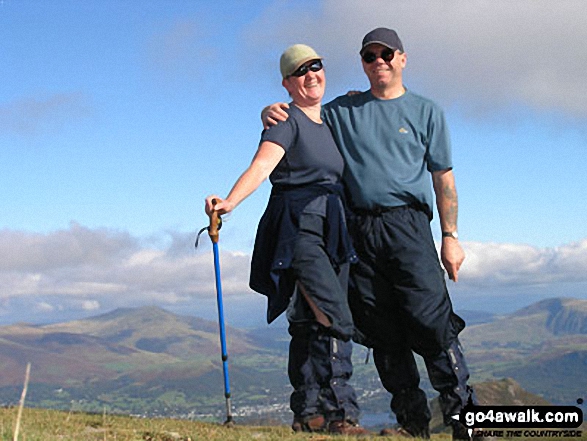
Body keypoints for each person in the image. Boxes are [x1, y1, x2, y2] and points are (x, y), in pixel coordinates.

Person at [262, 28, 477, 440]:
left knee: (432, 322)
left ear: (402, 58)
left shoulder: (426, 110)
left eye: (386, 54)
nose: (378, 61)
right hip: (358, 228)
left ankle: (466, 420)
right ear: (362, 62)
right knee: (383, 331)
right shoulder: (345, 109)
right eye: (369, 55)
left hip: (409, 226)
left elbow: (443, 176)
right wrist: (271, 113)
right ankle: (413, 424)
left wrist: (450, 235)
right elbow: (304, 114)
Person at [205, 44, 369, 436]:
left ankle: (308, 412)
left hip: (332, 227)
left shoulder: (330, 120)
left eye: (316, 66)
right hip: (298, 227)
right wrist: (230, 201)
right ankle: (340, 415)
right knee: (333, 316)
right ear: (287, 83)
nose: (311, 74)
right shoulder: (284, 121)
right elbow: (262, 165)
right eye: (301, 71)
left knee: (310, 320)